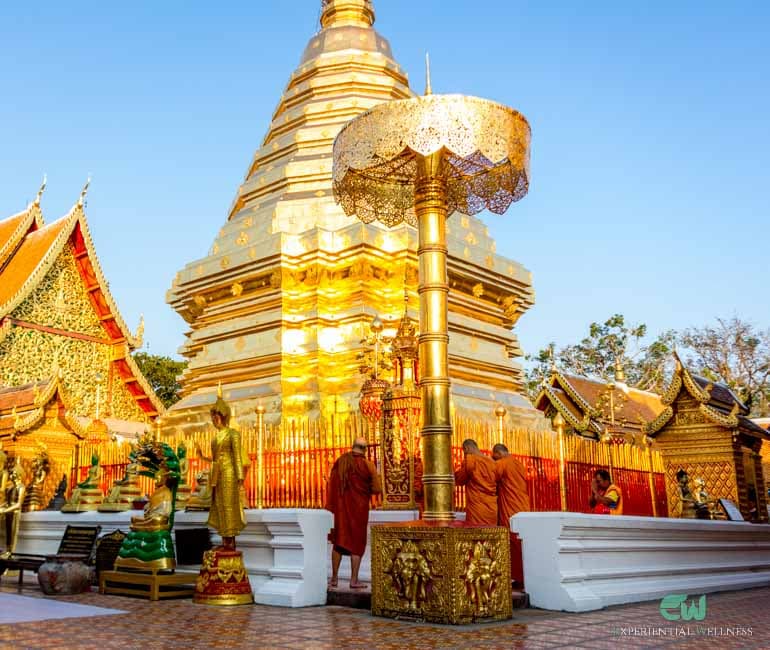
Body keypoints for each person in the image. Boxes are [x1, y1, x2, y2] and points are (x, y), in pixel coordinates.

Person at [325, 437, 382, 589]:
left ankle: (334, 579)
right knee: (357, 544)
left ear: (352, 447)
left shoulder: (340, 462)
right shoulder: (367, 465)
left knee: (338, 542)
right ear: (365, 449)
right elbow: (377, 489)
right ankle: (354, 580)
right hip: (359, 510)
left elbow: (332, 484)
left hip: (341, 510)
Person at [197, 392, 247, 549]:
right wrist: (201, 457)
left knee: (228, 506)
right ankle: (224, 540)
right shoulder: (215, 438)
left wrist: (240, 477)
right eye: (212, 418)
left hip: (230, 474)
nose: (213, 420)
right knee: (219, 506)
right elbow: (214, 460)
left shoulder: (233, 434)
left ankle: (231, 541)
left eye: (215, 417)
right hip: (217, 474)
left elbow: (237, 456)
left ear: (223, 417)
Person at [492, 443, 530, 587]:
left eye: (494, 456)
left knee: (512, 540)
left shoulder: (503, 463)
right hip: (522, 506)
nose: (494, 459)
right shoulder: (518, 463)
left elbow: (490, 476)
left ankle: (516, 577)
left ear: (498, 453)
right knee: (522, 541)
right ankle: (524, 575)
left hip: (511, 508)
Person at [454, 439, 497, 526]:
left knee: (476, 534)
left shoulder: (470, 460)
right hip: (491, 506)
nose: (464, 454)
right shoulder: (492, 462)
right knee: (492, 534)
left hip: (476, 506)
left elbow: (460, 480)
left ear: (467, 448)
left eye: (464, 451)